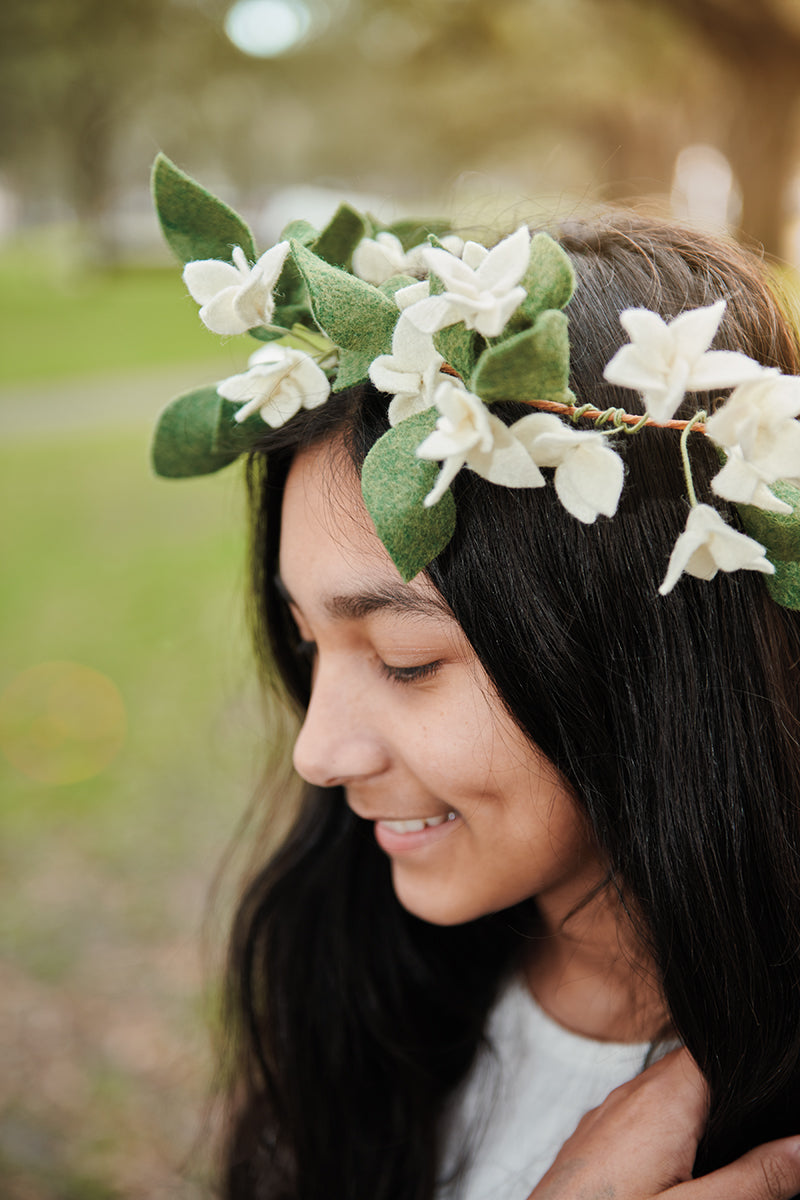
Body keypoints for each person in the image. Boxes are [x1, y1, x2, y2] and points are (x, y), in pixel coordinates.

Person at [150, 156, 800, 1200]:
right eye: (307, 641)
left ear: (642, 642)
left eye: (405, 663)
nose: (316, 753)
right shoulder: (357, 987)